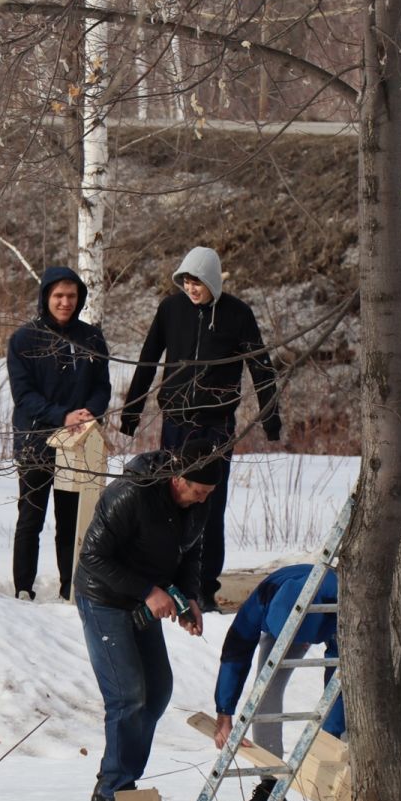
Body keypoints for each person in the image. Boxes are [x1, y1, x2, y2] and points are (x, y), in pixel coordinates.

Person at [118, 246, 280, 611]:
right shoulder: (170, 309)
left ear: (212, 281)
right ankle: (166, 580)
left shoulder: (238, 314)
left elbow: (261, 367)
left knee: (209, 506)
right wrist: (131, 414)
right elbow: (147, 359)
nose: (192, 289)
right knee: (168, 501)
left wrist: (271, 419)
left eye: (198, 282)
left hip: (216, 427)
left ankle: (204, 589)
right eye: (187, 281)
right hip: (176, 422)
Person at [73, 443, 223, 801]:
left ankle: (114, 777)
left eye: (208, 495)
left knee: (156, 691)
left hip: (144, 601)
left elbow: (190, 552)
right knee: (128, 693)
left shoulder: (198, 505)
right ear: (177, 479)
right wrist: (148, 590)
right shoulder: (130, 495)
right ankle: (118, 790)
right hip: (103, 597)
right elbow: (92, 558)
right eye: (197, 492)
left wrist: (189, 598)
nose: (201, 501)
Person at [6, 265, 112, 602]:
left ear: (79, 298)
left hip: (78, 442)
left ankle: (71, 585)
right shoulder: (24, 339)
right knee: (31, 516)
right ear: (46, 297)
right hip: (36, 440)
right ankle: (23, 586)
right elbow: (23, 395)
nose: (65, 302)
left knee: (71, 519)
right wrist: (61, 415)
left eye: (71, 296)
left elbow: (102, 387)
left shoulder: (91, 337)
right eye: (58, 296)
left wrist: (88, 414)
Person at [211, 565, 345, 801]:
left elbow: (339, 683)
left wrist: (332, 738)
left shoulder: (340, 596)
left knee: (344, 694)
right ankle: (269, 781)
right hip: (282, 615)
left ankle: (341, 781)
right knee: (265, 689)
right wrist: (224, 713)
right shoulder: (261, 601)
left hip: (328, 616)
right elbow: (234, 655)